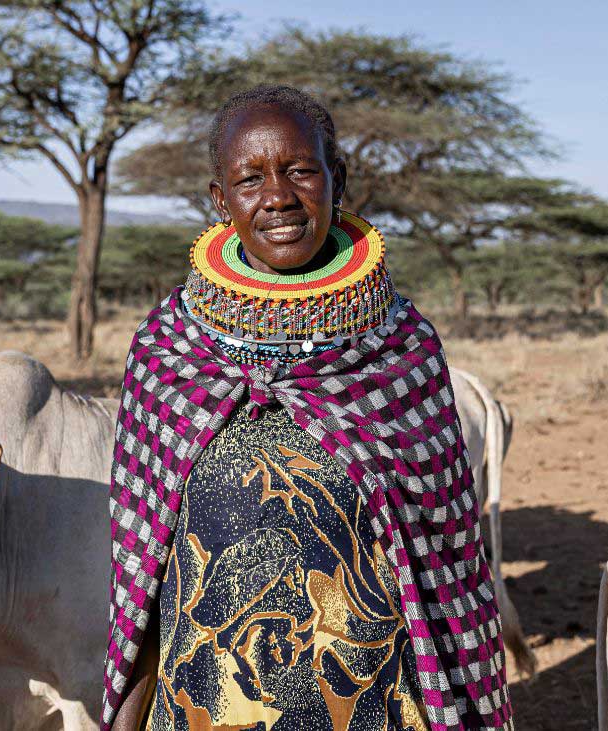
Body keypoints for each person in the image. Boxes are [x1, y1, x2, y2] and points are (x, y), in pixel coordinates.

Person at [103, 84, 512, 731]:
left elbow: (448, 570)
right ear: (220, 200)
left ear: (336, 178)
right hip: (207, 705)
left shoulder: (401, 352)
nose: (278, 197)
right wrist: (127, 708)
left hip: (375, 704)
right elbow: (142, 572)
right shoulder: (168, 351)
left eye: (299, 170)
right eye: (250, 178)